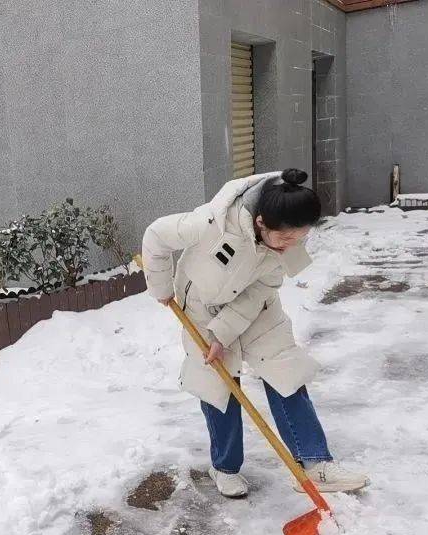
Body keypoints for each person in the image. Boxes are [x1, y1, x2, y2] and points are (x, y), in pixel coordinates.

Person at [142, 169, 369, 498]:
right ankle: (225, 466)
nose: (291, 246)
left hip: (255, 302)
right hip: (203, 306)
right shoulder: (212, 223)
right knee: (218, 384)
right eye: (286, 239)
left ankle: (316, 463)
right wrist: (160, 287)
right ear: (261, 222)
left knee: (285, 371)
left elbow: (265, 285)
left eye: (299, 239)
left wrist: (227, 331)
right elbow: (156, 236)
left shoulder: (286, 236)